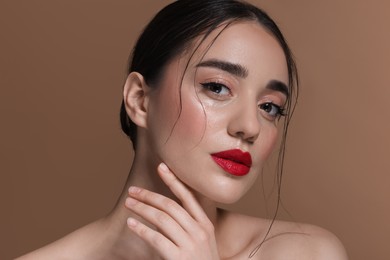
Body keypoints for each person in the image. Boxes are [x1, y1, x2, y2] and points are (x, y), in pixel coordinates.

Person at [17, 0, 348, 259]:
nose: (249, 127)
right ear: (140, 101)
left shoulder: (305, 253)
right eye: (217, 88)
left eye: (269, 107)